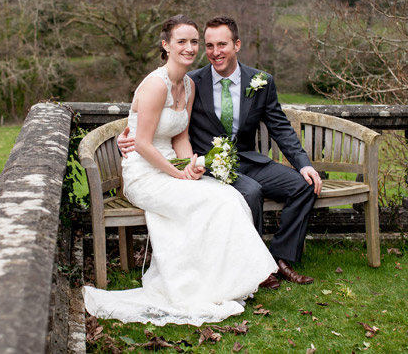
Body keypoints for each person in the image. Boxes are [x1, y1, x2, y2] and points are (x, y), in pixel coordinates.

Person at [82, 15, 278, 326]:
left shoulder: (187, 85)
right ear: (166, 45)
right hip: (145, 175)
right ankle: (198, 283)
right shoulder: (155, 85)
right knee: (211, 200)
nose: (189, 48)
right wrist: (178, 174)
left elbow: (181, 136)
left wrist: (190, 165)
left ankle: (224, 278)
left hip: (171, 167)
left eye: (193, 42)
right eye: (181, 42)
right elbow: (144, 144)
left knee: (228, 195)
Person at [119, 16, 322, 290]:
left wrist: (303, 164)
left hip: (248, 160)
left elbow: (280, 127)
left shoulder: (261, 81)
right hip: (208, 163)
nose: (215, 52)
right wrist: (133, 141)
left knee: (304, 185)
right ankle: (254, 267)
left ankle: (280, 258)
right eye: (209, 45)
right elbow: (151, 123)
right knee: (249, 192)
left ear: (236, 45)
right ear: (167, 45)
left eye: (222, 44)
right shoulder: (192, 79)